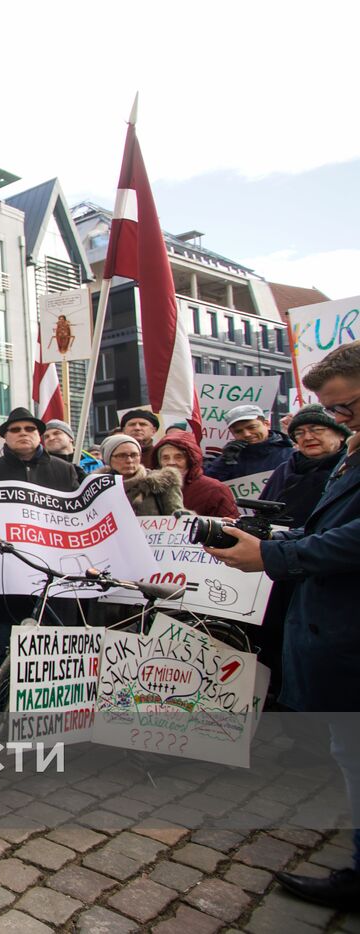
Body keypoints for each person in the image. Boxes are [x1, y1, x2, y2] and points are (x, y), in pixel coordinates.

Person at [204, 342, 360, 909]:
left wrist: (274, 556)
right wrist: (274, 540)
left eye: (345, 409)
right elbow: (321, 525)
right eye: (328, 412)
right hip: (329, 625)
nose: (337, 421)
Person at [0, 408, 81, 683]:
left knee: (56, 639)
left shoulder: (65, 471)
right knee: (1, 642)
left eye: (29, 429)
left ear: (39, 435)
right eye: (15, 430)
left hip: (54, 571)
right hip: (7, 572)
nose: (23, 434)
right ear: (4, 437)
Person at [253, 404, 352, 684]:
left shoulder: (344, 471)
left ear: (340, 435)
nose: (307, 436)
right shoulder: (285, 470)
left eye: (316, 430)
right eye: (300, 432)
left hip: (319, 570)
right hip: (277, 566)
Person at [153, 429, 238, 519]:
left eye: (179, 457)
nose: (171, 462)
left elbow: (230, 526)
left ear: (190, 460)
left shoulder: (216, 489)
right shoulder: (150, 488)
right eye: (165, 458)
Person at [95, 435, 182, 516]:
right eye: (122, 456)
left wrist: (181, 515)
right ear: (108, 459)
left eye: (134, 455)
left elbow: (176, 514)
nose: (129, 460)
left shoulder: (163, 482)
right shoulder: (96, 487)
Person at [204, 403, 293, 482]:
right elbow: (208, 486)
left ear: (266, 424)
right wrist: (223, 463)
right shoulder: (228, 459)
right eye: (238, 431)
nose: (246, 434)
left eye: (252, 427)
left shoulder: (291, 456)